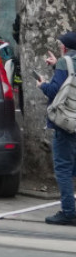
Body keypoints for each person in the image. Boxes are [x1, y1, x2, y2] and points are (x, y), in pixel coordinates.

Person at [35, 32, 76, 226]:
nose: (60, 47)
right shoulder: (66, 64)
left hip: (66, 123)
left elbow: (55, 91)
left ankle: (68, 211)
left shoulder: (64, 62)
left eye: (61, 44)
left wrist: (43, 84)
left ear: (66, 47)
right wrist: (56, 67)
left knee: (63, 168)